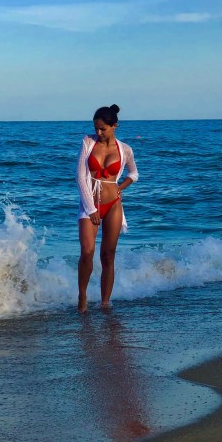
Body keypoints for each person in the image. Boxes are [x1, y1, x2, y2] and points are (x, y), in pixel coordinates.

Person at [76, 104, 138, 312]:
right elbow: (80, 178)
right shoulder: (88, 142)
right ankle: (82, 296)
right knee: (87, 251)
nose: (98, 132)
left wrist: (120, 187)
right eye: (96, 128)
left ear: (114, 126)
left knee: (108, 255)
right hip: (90, 206)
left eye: (103, 128)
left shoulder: (125, 149)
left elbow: (134, 174)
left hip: (113, 205)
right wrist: (91, 208)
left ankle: (105, 302)